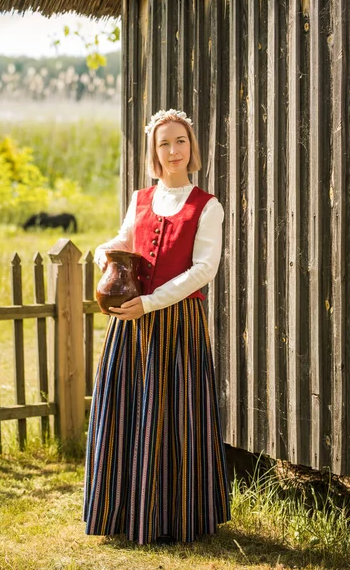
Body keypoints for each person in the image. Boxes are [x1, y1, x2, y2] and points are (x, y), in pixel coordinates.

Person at [83, 109, 230, 545]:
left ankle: (175, 515)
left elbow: (204, 269)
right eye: (163, 143)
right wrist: (103, 252)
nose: (172, 151)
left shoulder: (208, 206)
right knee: (128, 409)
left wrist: (148, 302)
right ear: (153, 151)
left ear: (192, 147)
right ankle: (124, 511)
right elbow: (123, 240)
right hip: (130, 324)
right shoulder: (140, 199)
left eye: (180, 141)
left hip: (175, 323)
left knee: (173, 415)